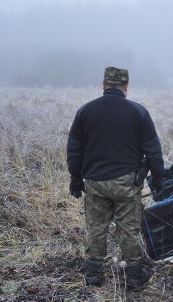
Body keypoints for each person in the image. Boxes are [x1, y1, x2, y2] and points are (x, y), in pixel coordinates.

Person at [66, 66, 164, 289]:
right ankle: (134, 278)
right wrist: (159, 180)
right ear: (126, 87)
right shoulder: (138, 112)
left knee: (96, 228)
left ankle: (93, 276)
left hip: (95, 183)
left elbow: (74, 149)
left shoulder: (85, 111)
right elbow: (154, 152)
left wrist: (75, 178)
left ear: (103, 84)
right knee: (129, 229)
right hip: (126, 184)